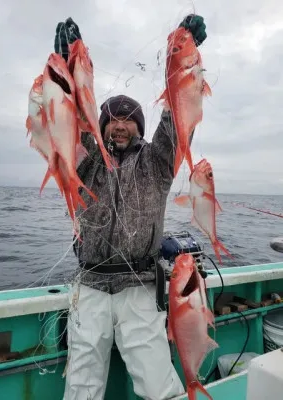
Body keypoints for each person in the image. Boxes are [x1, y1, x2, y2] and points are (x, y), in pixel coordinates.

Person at [54, 15, 207, 400]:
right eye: (112, 119)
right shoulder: (87, 160)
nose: (119, 125)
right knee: (81, 386)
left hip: (139, 288)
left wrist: (189, 50)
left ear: (139, 127)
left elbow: (179, 111)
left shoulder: (157, 162)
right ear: (102, 125)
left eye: (128, 120)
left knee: (159, 385)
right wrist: (68, 68)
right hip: (89, 285)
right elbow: (73, 118)